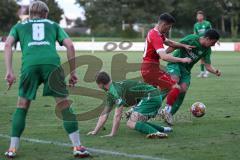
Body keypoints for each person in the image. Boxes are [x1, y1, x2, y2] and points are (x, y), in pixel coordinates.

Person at [4, 1, 89, 158]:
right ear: (45, 14)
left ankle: (12, 149)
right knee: (64, 105)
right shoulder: (53, 25)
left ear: (30, 13)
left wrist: (9, 71)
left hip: (30, 66)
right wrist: (73, 72)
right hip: (52, 65)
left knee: (22, 106)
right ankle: (78, 146)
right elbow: (70, 46)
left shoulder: (19, 26)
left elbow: (8, 45)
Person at [141, 13, 193, 125]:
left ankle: (137, 112)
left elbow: (169, 42)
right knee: (175, 87)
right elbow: (164, 57)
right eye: (169, 27)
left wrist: (183, 46)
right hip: (151, 69)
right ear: (164, 24)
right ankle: (167, 112)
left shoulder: (156, 33)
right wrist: (182, 59)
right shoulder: (155, 36)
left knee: (153, 95)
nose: (169, 29)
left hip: (148, 68)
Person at [87, 71, 173, 139]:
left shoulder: (115, 91)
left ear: (100, 84)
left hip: (151, 96)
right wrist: (95, 131)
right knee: (135, 120)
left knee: (131, 122)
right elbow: (104, 114)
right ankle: (164, 129)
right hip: (152, 95)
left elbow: (117, 115)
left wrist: (112, 134)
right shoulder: (111, 91)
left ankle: (158, 134)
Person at [164, 29, 221, 121]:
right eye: (213, 42)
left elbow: (208, 66)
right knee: (175, 80)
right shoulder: (192, 38)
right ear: (207, 38)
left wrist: (215, 71)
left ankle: (169, 114)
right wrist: (163, 53)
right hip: (176, 63)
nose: (213, 45)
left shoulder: (207, 50)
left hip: (186, 70)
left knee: (183, 90)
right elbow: (175, 45)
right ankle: (163, 107)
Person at [194, 10, 212, 78]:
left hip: (207, 43)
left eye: (200, 15)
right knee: (201, 57)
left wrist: (216, 40)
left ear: (203, 16)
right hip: (200, 43)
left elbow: (211, 31)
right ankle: (202, 72)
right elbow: (195, 34)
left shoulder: (207, 23)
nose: (199, 17)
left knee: (206, 57)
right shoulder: (196, 25)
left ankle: (207, 71)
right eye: (198, 16)